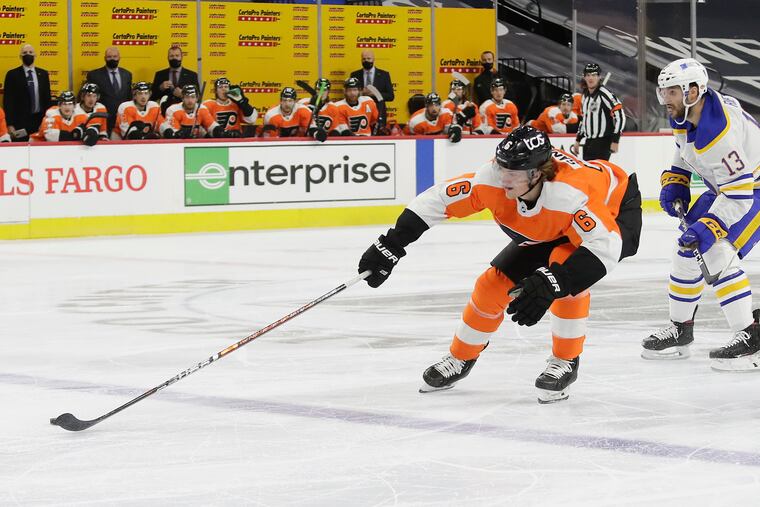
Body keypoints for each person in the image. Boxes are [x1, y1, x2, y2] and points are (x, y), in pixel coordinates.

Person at [356, 126, 642, 403]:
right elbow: (438, 200)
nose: (503, 177)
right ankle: (461, 357)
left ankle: (566, 360)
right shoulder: (491, 178)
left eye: (513, 172)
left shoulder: (571, 195)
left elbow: (606, 247)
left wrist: (555, 282)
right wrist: (391, 243)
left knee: (563, 277)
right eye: (502, 167)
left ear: (537, 173)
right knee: (491, 286)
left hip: (616, 211)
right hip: (554, 224)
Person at [642, 58, 760, 370]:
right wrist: (677, 178)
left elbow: (740, 192)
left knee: (716, 251)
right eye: (663, 92)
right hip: (728, 186)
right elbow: (684, 148)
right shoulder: (689, 112)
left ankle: (750, 339)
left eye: (672, 93)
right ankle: (682, 330)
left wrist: (711, 225)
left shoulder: (716, 131)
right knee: (685, 249)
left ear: (693, 90)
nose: (665, 100)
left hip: (752, 190)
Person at [571, 63, 625, 161]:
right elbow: (584, 119)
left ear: (599, 77)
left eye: (594, 75)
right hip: (588, 143)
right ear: (584, 77)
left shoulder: (605, 94)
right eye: (588, 75)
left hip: (603, 142)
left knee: (598, 174)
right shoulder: (585, 96)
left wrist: (615, 140)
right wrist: (578, 140)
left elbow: (620, 115)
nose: (591, 78)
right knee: (588, 174)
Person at [2, 44, 52, 141]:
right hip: (19, 123)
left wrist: (48, 120)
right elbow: (8, 101)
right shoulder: (12, 75)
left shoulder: (43, 74)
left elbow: (47, 99)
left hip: (40, 121)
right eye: (24, 53)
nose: (28, 54)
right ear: (20, 56)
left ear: (35, 55)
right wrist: (10, 124)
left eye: (30, 52)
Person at [86, 47, 133, 134]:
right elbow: (90, 99)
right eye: (109, 57)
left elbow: (129, 97)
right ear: (104, 58)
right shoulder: (94, 75)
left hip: (124, 119)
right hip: (103, 119)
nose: (112, 59)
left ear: (119, 58)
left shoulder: (127, 74)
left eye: (115, 56)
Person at [31, 91, 97, 144]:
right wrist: (75, 135)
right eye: (64, 104)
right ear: (59, 105)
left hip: (62, 147)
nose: (67, 107)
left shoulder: (80, 115)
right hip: (36, 146)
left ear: (74, 105)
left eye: (70, 104)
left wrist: (91, 134)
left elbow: (91, 127)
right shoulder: (51, 114)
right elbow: (50, 136)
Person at [150, 46, 200, 114]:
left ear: (181, 57)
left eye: (177, 55)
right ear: (168, 58)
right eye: (171, 56)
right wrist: (160, 88)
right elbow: (152, 97)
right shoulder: (160, 74)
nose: (174, 58)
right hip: (165, 112)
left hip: (186, 112)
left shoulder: (192, 75)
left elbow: (198, 97)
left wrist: (183, 94)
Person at [299, 78, 340, 142]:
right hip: (304, 141)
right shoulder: (303, 103)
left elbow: (335, 129)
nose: (321, 92)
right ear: (315, 90)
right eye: (319, 89)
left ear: (328, 92)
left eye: (324, 90)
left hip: (323, 142)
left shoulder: (333, 108)